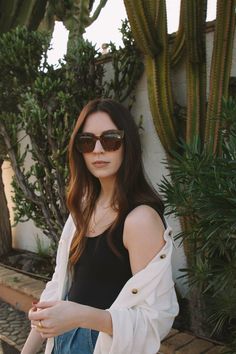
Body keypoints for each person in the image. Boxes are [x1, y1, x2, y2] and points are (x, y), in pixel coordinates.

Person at [21, 98, 179, 354]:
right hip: (62, 340)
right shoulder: (82, 209)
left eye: (110, 139)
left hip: (104, 346)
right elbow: (59, 285)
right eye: (87, 141)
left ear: (127, 145)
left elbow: (155, 320)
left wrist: (81, 316)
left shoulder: (140, 220)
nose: (98, 149)